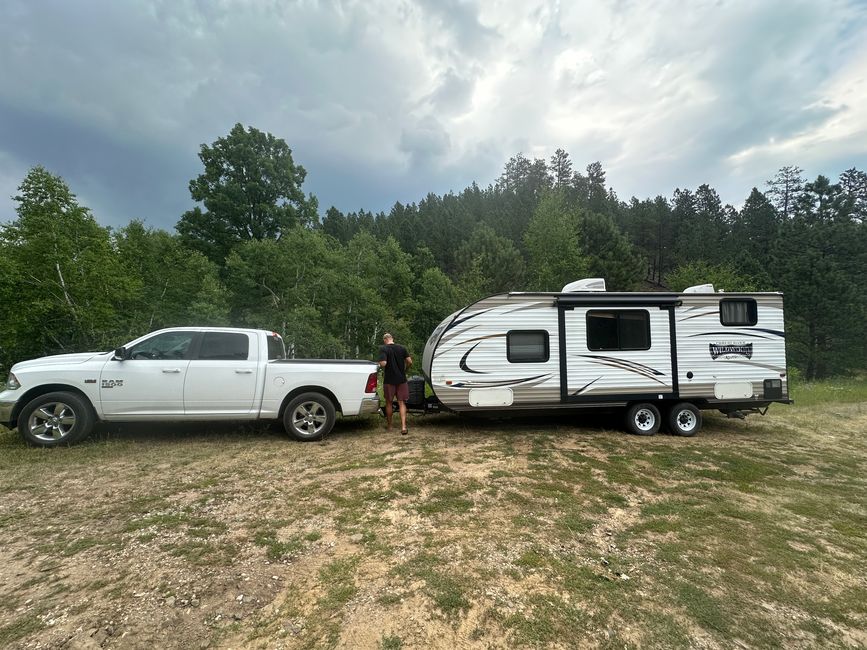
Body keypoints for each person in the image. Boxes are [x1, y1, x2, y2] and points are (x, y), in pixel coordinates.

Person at [377, 332, 412, 435]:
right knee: (401, 402)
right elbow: (410, 361)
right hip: (401, 379)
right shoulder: (402, 348)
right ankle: (403, 427)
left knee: (389, 402)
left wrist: (379, 363)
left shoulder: (384, 349)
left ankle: (390, 426)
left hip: (389, 380)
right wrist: (405, 370)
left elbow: (384, 363)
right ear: (392, 338)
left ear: (385, 340)